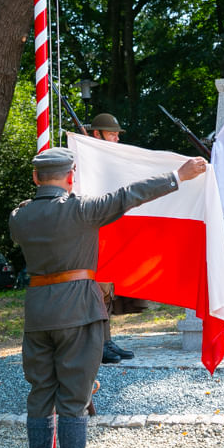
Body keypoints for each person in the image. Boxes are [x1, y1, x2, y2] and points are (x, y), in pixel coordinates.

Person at [9, 147, 207, 448]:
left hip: (37, 314)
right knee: (73, 398)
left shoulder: (19, 217)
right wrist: (177, 176)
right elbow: (127, 195)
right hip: (78, 311)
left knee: (40, 395)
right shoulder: (80, 210)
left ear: (36, 178)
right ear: (71, 177)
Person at [87, 112, 148, 364]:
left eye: (116, 134)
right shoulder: (86, 158)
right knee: (98, 292)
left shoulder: (114, 158)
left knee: (107, 291)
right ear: (96, 134)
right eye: (111, 134)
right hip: (94, 234)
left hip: (111, 232)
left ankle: (107, 341)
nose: (116, 139)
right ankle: (98, 345)